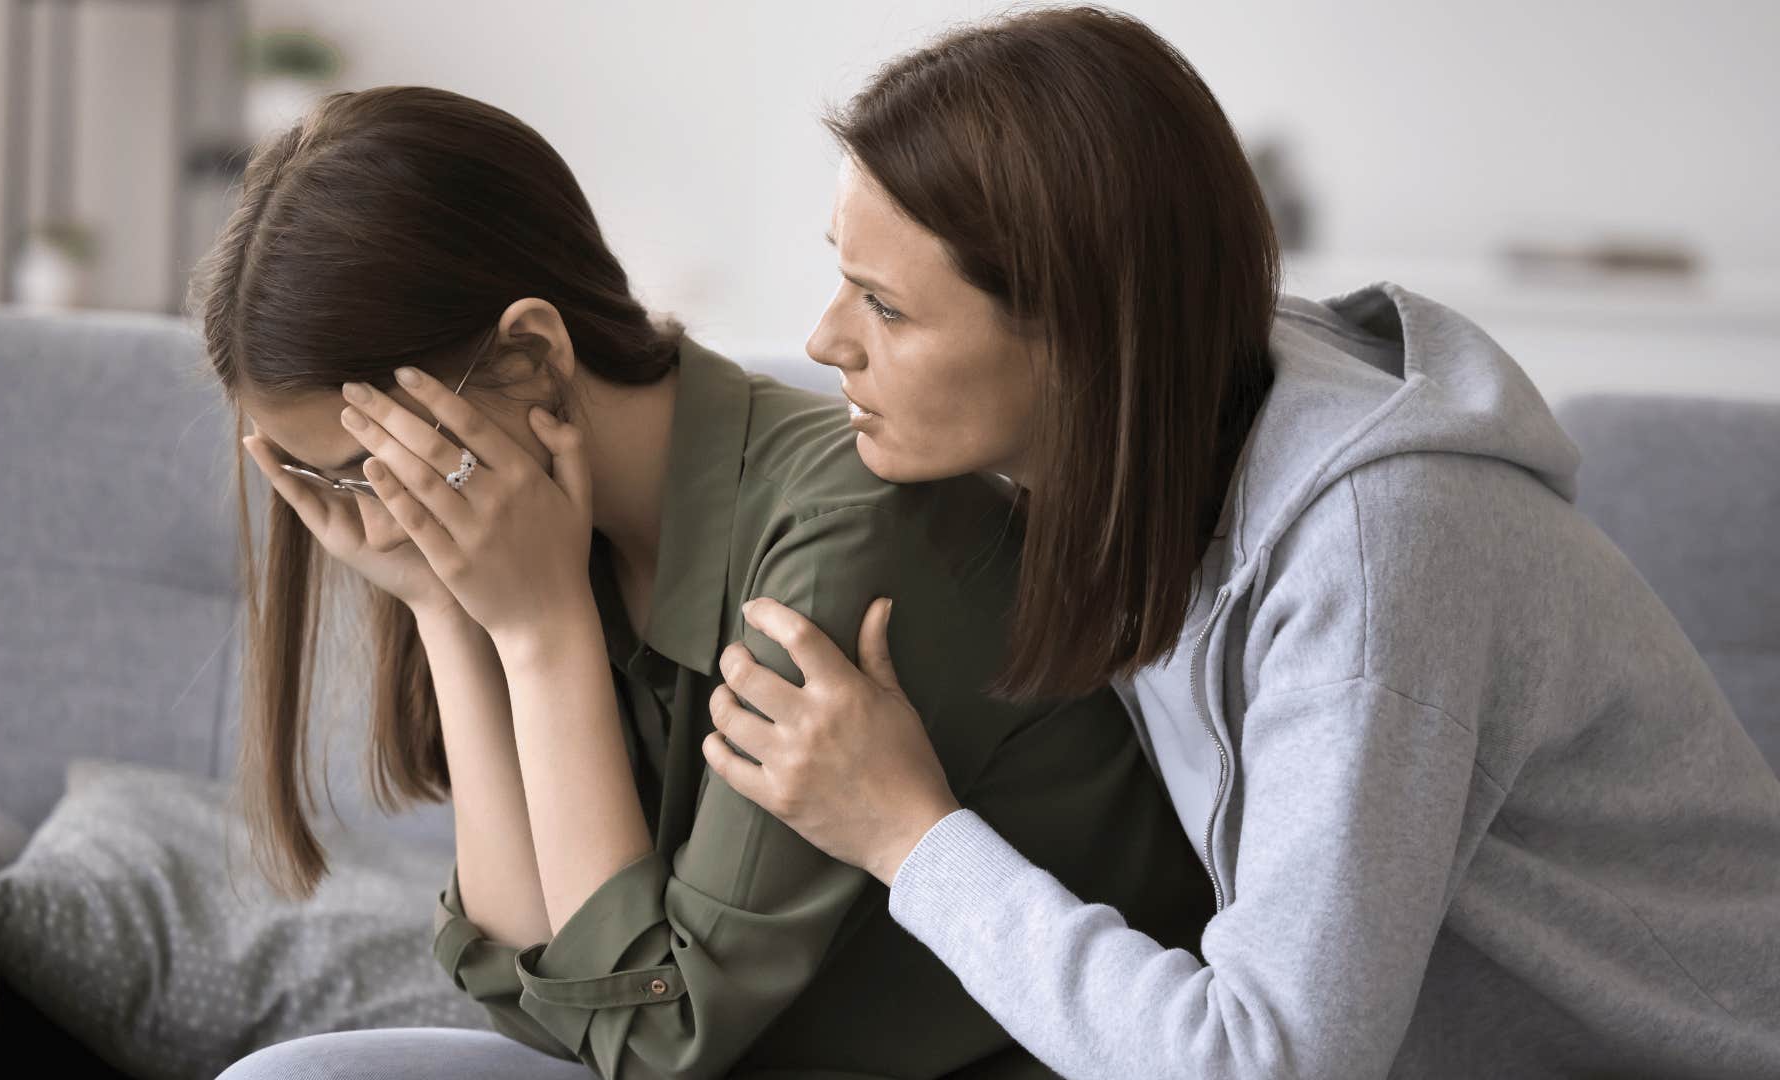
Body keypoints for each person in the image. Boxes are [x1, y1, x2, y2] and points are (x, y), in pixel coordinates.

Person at [700, 7, 1780, 1078]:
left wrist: (905, 834)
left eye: (885, 308)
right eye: (843, 274)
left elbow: (1265, 1066)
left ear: (1081, 334)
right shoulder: (1142, 450)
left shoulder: (1376, 548)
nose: (824, 339)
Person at [195, 85, 1214, 1080]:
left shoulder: (844, 538)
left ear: (533, 355)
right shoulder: (549, 534)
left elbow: (650, 1042)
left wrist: (542, 634)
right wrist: (439, 606)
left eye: (372, 466)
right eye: (327, 485)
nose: (372, 514)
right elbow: (538, 1001)